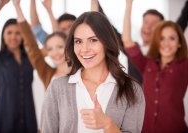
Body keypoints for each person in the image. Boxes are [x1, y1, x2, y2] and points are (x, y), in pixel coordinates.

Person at [41, 11, 145, 133]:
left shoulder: (132, 90)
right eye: (78, 41)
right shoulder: (57, 87)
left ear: (107, 42)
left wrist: (108, 125)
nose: (84, 49)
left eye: (93, 40)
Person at [122, 0, 188, 132]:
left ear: (179, 43)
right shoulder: (147, 64)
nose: (166, 44)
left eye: (172, 38)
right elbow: (127, 40)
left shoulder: (184, 66)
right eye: (162, 38)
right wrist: (128, 5)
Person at [0, 0, 37, 132]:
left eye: (18, 33)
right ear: (3, 35)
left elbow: (40, 38)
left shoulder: (31, 58)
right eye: (9, 32)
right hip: (4, 119)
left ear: (23, 36)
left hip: (29, 119)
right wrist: (0, 4)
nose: (14, 36)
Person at [13, 0, 71, 88]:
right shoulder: (46, 73)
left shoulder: (80, 70)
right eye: (50, 49)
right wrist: (17, 7)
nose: (55, 52)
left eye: (60, 47)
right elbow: (31, 44)